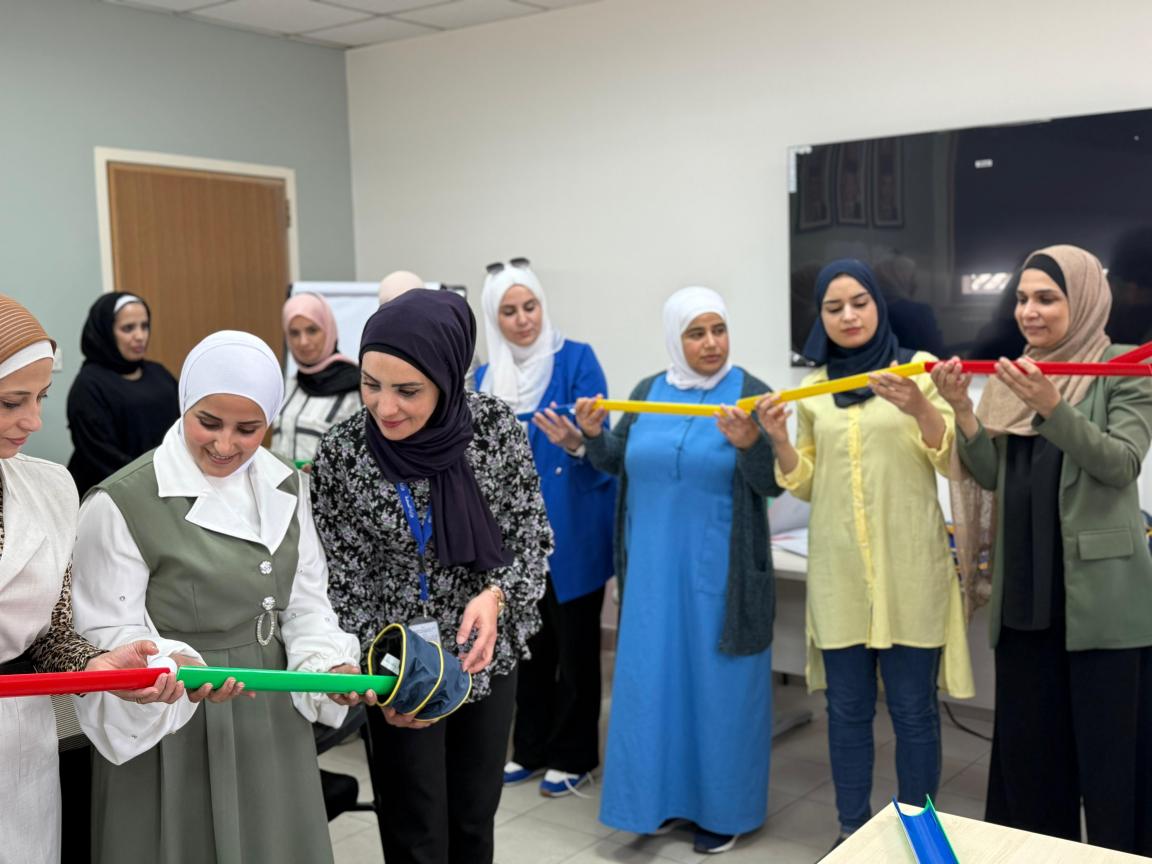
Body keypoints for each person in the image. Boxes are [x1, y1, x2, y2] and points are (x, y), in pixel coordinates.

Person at [70, 330, 362, 864]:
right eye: (208, 422)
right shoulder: (121, 502)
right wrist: (170, 662)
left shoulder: (287, 488)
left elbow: (303, 604)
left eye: (248, 429)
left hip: (271, 708)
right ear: (184, 405)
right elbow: (104, 631)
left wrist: (328, 665)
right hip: (172, 713)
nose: (225, 445)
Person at [311, 289, 552, 864]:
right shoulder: (344, 454)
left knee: (473, 817)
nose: (384, 407)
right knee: (413, 825)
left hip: (482, 649)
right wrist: (379, 673)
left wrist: (496, 596)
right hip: (396, 660)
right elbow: (340, 580)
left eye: (408, 390)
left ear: (447, 377)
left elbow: (532, 539)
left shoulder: (494, 431)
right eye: (371, 384)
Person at [932, 244, 1152, 855]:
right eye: (1022, 299)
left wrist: (1053, 408)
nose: (1029, 312)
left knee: (1112, 773)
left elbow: (1120, 464)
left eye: (1046, 298)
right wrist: (962, 410)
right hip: (1025, 599)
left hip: (1100, 606)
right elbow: (990, 473)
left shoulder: (1123, 367)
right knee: (1031, 767)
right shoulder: (1018, 372)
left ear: (1081, 299)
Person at [757, 259, 972, 848]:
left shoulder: (921, 371)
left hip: (911, 573)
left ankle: (919, 837)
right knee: (847, 714)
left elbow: (951, 459)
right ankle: (852, 830)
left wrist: (921, 406)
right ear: (820, 319)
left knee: (913, 713)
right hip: (840, 578)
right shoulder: (816, 392)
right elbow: (804, 483)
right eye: (833, 308)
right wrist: (778, 440)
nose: (848, 316)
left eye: (859, 302)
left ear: (880, 305)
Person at [574, 286, 778, 856]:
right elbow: (621, 462)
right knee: (652, 691)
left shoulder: (752, 394)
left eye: (718, 330)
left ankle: (724, 810)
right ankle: (656, 802)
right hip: (652, 581)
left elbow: (772, 482)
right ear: (674, 338)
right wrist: (590, 436)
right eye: (696, 332)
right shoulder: (648, 392)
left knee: (720, 695)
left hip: (721, 578)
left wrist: (750, 444)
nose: (711, 343)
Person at [0, 294, 171, 864]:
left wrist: (91, 667)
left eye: (41, 398)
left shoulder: (48, 490)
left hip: (20, 743)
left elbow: (45, 631)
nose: (34, 422)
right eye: (11, 402)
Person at [473, 259, 615, 797]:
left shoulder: (577, 360)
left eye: (529, 306)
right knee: (526, 652)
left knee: (577, 652)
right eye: (508, 311)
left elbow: (601, 444)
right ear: (495, 318)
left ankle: (574, 755)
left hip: (574, 531)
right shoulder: (488, 378)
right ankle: (529, 748)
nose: (523, 319)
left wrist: (577, 441)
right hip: (512, 543)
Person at [66, 292, 178, 495]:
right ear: (106, 332)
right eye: (128, 328)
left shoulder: (159, 374)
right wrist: (148, 481)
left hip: (164, 485)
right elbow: (99, 452)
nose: (140, 336)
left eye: (144, 326)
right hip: (111, 492)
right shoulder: (89, 384)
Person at [271, 292, 361, 468]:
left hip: (330, 493)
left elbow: (363, 457)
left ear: (328, 330)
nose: (303, 342)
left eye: (312, 330)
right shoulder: (288, 386)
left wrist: (325, 472)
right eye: (294, 333)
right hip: (283, 493)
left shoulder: (356, 387)